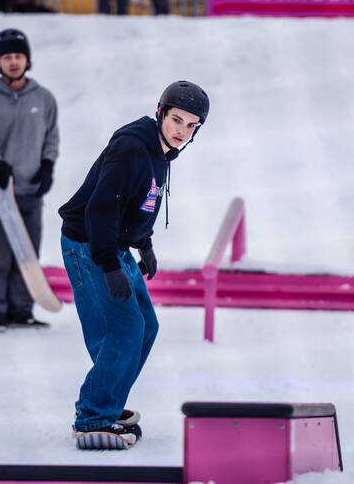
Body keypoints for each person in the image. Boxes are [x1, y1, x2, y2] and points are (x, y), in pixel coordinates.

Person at [59, 80, 210, 449]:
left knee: (145, 327)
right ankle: (94, 415)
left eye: (192, 126)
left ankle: (107, 401)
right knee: (124, 329)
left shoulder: (161, 151)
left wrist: (144, 244)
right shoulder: (131, 149)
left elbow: (139, 202)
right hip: (90, 244)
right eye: (177, 120)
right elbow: (101, 207)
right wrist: (109, 265)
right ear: (160, 112)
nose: (182, 132)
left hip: (117, 245)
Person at [0, 29, 60, 331]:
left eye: (18, 56)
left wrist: (47, 166)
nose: (13, 62)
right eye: (7, 57)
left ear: (27, 60)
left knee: (28, 255)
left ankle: (21, 310)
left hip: (29, 190)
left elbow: (51, 138)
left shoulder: (44, 99)